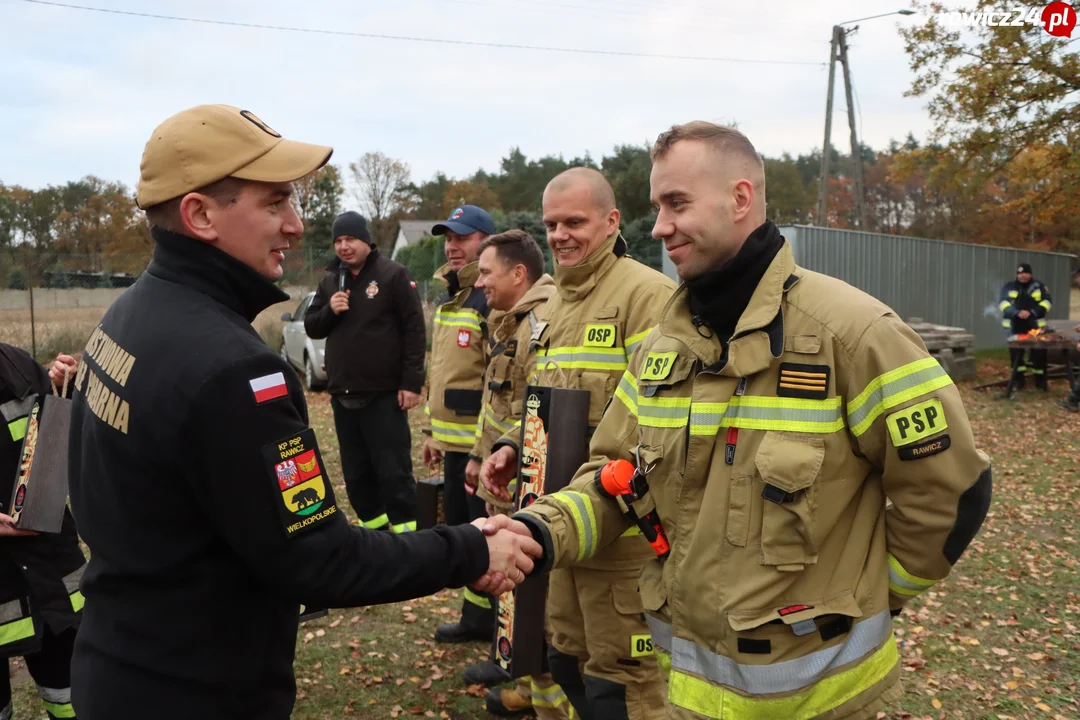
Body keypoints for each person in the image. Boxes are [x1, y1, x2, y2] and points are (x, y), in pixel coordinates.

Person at [490, 122, 993, 719]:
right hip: (688, 695)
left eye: (677, 203)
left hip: (819, 702)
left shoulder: (853, 334)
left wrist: (873, 596)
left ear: (740, 198)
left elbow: (951, 492)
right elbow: (613, 475)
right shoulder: (661, 350)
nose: (659, 227)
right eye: (656, 207)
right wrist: (538, 531)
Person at [65, 104, 541, 720]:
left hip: (123, 665)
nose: (295, 225)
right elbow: (319, 558)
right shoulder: (233, 370)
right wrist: (470, 551)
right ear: (200, 214)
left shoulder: (129, 314)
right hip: (197, 689)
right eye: (274, 203)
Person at [483, 168, 675, 719]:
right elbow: (551, 409)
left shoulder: (648, 298)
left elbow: (661, 426)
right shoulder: (555, 309)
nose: (561, 235)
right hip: (561, 531)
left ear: (612, 222)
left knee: (625, 688)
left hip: (625, 542)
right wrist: (515, 450)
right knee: (566, 663)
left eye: (575, 222)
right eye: (551, 224)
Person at [464, 229, 570, 718]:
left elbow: (536, 411)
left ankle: (539, 691)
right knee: (518, 597)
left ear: (518, 274)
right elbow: (498, 404)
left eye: (487, 272)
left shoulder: (539, 326)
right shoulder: (509, 322)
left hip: (529, 483)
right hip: (506, 474)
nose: (479, 281)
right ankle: (527, 681)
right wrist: (480, 456)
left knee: (536, 596)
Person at [304, 210, 425, 533]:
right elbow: (312, 326)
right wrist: (330, 310)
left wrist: (411, 382)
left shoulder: (392, 275)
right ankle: (375, 534)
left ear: (367, 241)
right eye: (338, 240)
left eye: (351, 239)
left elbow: (414, 330)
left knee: (392, 471)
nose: (343, 246)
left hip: (384, 395)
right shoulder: (331, 281)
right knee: (356, 473)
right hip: (343, 393)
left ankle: (407, 539)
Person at [420, 204, 498, 644]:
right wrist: (430, 431)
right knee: (465, 533)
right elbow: (442, 371)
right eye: (448, 238)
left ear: (486, 241)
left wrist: (482, 450)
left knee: (482, 531)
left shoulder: (490, 298)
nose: (452, 246)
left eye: (463, 237)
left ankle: (494, 620)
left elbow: (496, 379)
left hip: (481, 450)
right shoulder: (452, 299)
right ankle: (476, 615)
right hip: (453, 446)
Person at [0, 349, 82, 720]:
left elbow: (59, 450)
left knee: (73, 701)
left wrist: (66, 391)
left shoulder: (16, 366)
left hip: (52, 580)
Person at [999, 262, 1053, 390]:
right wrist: (1016, 313)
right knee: (1016, 355)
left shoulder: (1039, 286)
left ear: (1030, 274)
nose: (1023, 275)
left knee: (1039, 354)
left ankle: (1040, 381)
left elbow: (1047, 302)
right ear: (1017, 274)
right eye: (1020, 273)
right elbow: (1002, 304)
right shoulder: (1009, 286)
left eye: (1026, 273)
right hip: (1014, 327)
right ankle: (1019, 381)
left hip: (1035, 327)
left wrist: (1033, 313)